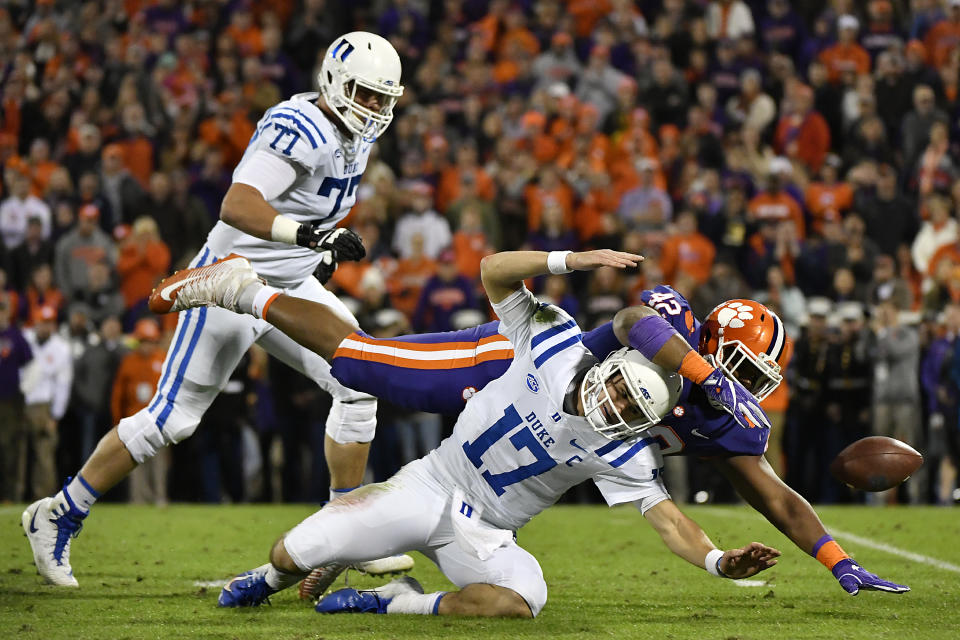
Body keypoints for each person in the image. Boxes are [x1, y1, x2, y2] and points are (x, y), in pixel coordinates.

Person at [154, 237, 910, 597]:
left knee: (449, 486)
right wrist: (698, 368)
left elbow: (774, 495)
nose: (744, 387)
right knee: (355, 366)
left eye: (753, 377)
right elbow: (633, 320)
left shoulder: (724, 418)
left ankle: (348, 544)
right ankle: (240, 289)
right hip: (512, 366)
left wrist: (839, 563)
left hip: (539, 444)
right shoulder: (674, 336)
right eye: (738, 367)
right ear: (710, 344)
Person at [22, 31, 411, 587]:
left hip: (289, 282)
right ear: (333, 80)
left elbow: (305, 211)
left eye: (382, 97)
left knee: (360, 378)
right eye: (364, 93)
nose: (373, 107)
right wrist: (308, 232)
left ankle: (342, 533)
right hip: (230, 283)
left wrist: (316, 252)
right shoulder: (298, 126)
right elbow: (239, 203)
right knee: (171, 420)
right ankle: (58, 511)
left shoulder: (356, 138)